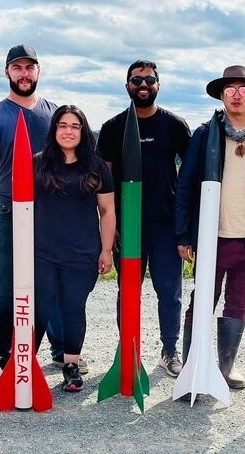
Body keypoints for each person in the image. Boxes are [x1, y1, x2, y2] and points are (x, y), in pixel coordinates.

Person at [0, 44, 73, 371]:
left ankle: (58, 347)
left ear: (39, 71)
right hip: (9, 209)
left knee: (50, 280)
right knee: (8, 283)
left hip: (50, 210)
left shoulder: (55, 114)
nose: (24, 74)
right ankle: (4, 348)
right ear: (7, 72)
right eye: (17, 68)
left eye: (30, 67)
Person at [174, 65, 245, 389]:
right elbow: (185, 186)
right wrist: (184, 234)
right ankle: (194, 365)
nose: (237, 94)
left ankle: (224, 367)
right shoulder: (205, 134)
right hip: (214, 236)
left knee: (239, 302)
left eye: (244, 89)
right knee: (203, 300)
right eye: (230, 89)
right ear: (222, 96)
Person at [96, 60, 191, 377]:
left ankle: (169, 350)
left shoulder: (175, 125)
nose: (143, 85)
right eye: (136, 80)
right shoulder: (112, 128)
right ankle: (129, 350)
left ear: (158, 85)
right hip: (128, 228)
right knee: (129, 291)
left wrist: (185, 227)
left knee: (170, 292)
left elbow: (189, 175)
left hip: (165, 225)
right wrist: (111, 229)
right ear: (127, 86)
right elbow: (103, 182)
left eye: (149, 79)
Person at [32, 105, 115, 391]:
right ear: (54, 130)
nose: (68, 131)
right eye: (63, 125)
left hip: (82, 254)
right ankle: (25, 364)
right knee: (40, 309)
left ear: (83, 131)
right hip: (42, 253)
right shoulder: (37, 163)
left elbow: (107, 210)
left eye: (75, 126)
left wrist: (106, 250)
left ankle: (71, 364)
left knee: (73, 308)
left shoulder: (96, 166)